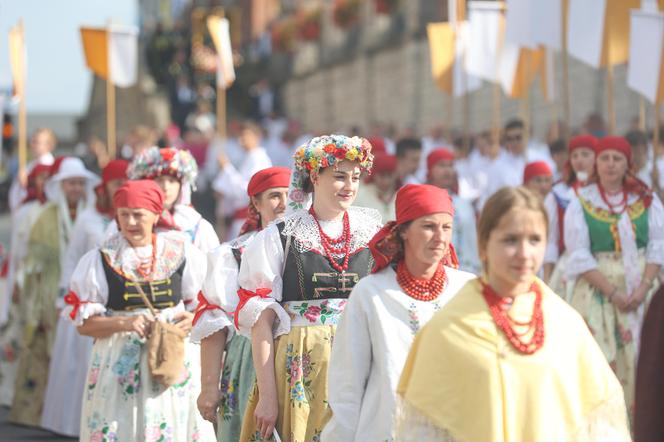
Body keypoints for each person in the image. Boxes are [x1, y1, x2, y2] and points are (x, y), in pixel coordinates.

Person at [395, 186, 631, 441]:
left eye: (535, 240)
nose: (524, 253)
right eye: (510, 240)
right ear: (484, 244)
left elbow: (599, 422)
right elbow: (424, 429)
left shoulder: (564, 323)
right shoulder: (447, 329)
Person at [236, 135, 381, 441]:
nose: (350, 186)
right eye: (339, 176)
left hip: (359, 359)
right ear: (315, 176)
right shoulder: (281, 236)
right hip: (300, 367)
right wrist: (268, 396)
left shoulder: (372, 233)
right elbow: (262, 322)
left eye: (355, 177)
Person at [64, 180, 215, 440]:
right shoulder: (102, 258)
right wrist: (124, 323)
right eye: (125, 215)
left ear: (156, 214)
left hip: (172, 357)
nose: (132, 222)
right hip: (119, 361)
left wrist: (193, 319)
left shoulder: (181, 252)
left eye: (139, 215)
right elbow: (83, 325)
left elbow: (208, 306)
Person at [322, 184, 475, 441]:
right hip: (388, 428)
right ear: (403, 231)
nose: (439, 237)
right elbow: (347, 385)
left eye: (446, 227)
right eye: (428, 226)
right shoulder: (371, 293)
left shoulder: (467, 289)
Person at [564, 136, 664, 415]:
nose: (610, 164)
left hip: (643, 292)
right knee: (602, 363)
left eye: (617, 158)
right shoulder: (582, 202)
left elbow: (658, 245)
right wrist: (613, 293)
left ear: (628, 164)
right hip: (600, 294)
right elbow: (580, 254)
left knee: (650, 357)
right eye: (605, 158)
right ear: (596, 163)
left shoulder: (645, 198)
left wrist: (643, 289)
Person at [193, 167, 291, 441]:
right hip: (247, 358)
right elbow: (215, 324)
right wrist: (209, 386)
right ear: (256, 204)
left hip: (296, 354)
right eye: (274, 196)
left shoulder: (310, 248)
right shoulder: (231, 255)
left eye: (289, 195)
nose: (283, 204)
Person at [40, 160, 128, 437]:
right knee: (79, 365)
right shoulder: (89, 219)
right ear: (105, 187)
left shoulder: (133, 216)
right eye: (116, 184)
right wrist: (64, 296)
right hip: (89, 298)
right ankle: (71, 423)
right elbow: (71, 258)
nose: (120, 189)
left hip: (119, 300)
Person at [9, 157, 99, 427]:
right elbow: (28, 255)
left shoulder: (89, 216)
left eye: (79, 184)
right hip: (47, 292)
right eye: (71, 183)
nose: (75, 189)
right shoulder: (43, 215)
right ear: (61, 186)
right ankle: (42, 414)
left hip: (85, 292)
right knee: (43, 351)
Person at [0, 163, 51, 406]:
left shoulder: (58, 210)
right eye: (40, 178)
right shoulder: (26, 211)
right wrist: (16, 283)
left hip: (50, 283)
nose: (44, 183)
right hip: (26, 280)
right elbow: (18, 252)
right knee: (19, 335)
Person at [127, 146, 220, 252]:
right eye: (160, 180)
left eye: (171, 181)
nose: (166, 187)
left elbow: (213, 265)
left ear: (181, 186)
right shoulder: (129, 222)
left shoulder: (197, 226)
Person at [542, 135, 597, 289]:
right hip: (567, 267)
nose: (579, 160)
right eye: (574, 155)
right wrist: (547, 278)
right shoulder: (558, 193)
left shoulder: (607, 193)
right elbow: (551, 240)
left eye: (585, 154)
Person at [213, 122, 273, 239]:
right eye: (240, 137)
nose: (241, 140)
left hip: (248, 218)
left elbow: (247, 190)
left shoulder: (258, 159)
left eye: (245, 136)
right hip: (240, 217)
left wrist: (226, 168)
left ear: (257, 137)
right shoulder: (249, 157)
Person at [426, 148, 480, 274]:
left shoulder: (463, 204)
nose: (447, 170)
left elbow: (472, 241)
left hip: (464, 271)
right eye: (441, 165)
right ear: (430, 170)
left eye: (450, 166)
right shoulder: (423, 201)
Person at [8, 128, 57, 212]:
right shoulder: (31, 164)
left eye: (36, 142)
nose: (32, 145)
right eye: (32, 141)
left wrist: (28, 182)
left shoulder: (49, 165)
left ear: (49, 145)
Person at [353, 153, 397, 222]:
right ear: (374, 174)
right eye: (382, 176)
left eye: (390, 176)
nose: (386, 181)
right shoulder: (361, 195)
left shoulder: (401, 195)